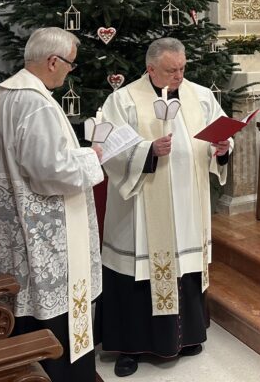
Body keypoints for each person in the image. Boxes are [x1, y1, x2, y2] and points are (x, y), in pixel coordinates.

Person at [0, 28, 104, 382]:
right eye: (69, 64)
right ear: (53, 61)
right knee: (47, 312)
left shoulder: (3, 96)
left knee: (24, 308)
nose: (69, 72)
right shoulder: (34, 102)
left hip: (15, 227)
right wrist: (93, 157)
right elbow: (50, 172)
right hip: (40, 235)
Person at [99, 37, 232, 377]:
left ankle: (187, 336)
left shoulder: (200, 95)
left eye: (183, 68)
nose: (179, 76)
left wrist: (222, 147)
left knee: (184, 264)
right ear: (151, 69)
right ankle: (131, 347)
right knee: (139, 274)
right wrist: (147, 151)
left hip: (188, 204)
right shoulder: (123, 100)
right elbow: (108, 148)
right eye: (171, 70)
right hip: (141, 210)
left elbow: (221, 131)